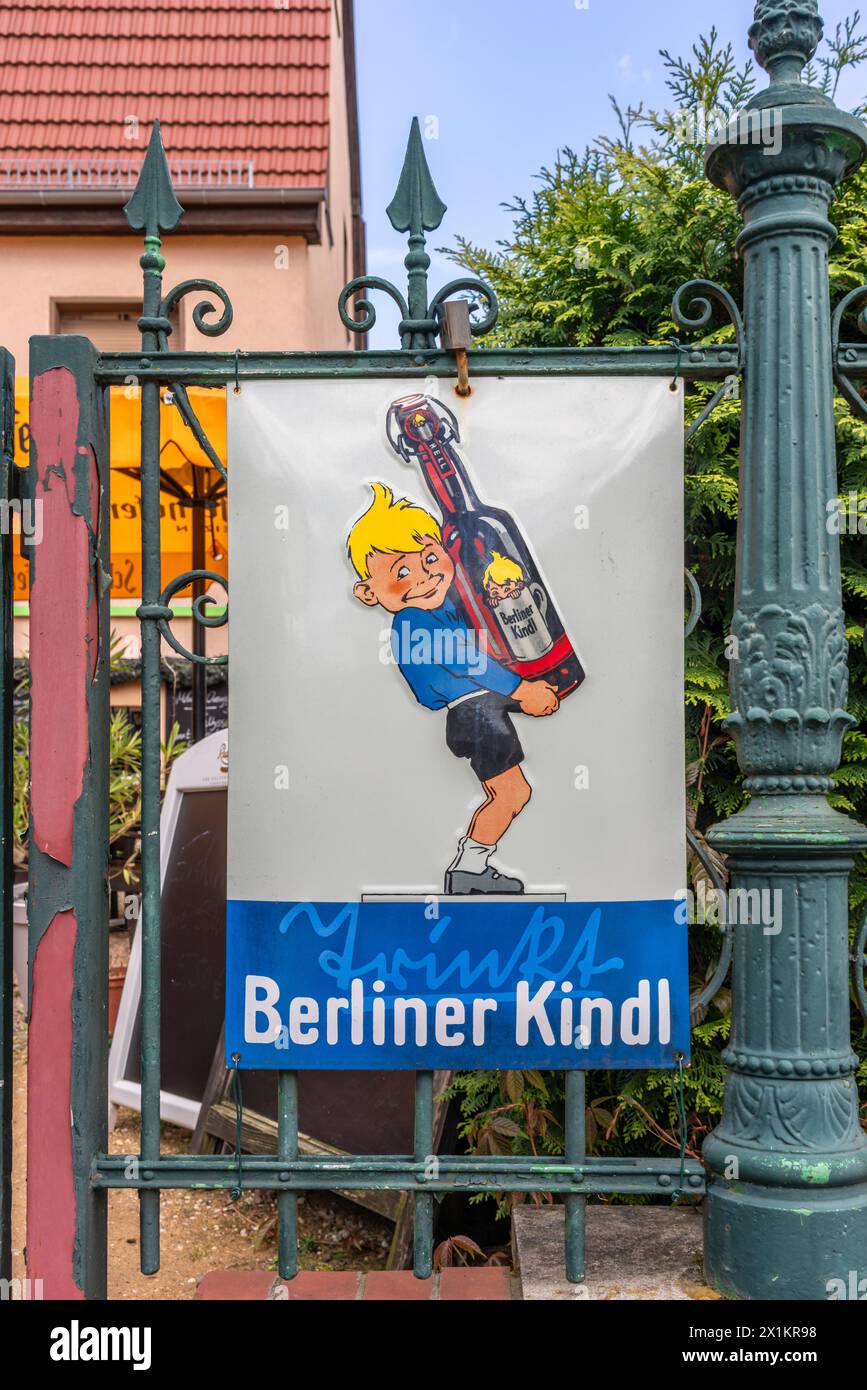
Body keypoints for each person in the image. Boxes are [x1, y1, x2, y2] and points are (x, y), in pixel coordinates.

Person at [347, 482, 560, 895]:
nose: (426, 576)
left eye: (430, 558)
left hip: (481, 705)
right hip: (473, 713)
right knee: (512, 793)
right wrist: (521, 691)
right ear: (368, 592)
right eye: (402, 572)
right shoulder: (414, 622)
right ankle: (468, 870)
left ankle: (471, 867)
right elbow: (470, 662)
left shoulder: (443, 604)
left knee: (511, 793)